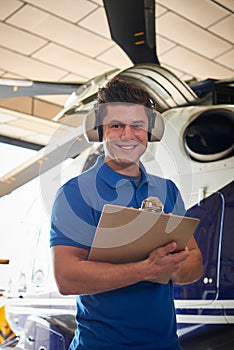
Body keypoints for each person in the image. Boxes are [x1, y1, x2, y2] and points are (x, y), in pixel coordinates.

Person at [50, 78, 203, 350]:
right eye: (116, 125)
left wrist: (174, 266)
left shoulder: (168, 191)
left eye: (137, 126)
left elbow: (195, 264)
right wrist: (146, 269)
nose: (127, 135)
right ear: (100, 130)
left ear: (149, 132)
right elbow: (67, 277)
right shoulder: (75, 193)